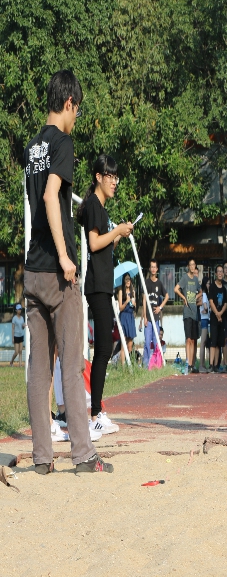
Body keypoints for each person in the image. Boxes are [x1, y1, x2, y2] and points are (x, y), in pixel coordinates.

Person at [23, 69, 112, 474]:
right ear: (69, 103)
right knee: (73, 365)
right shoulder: (62, 142)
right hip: (57, 273)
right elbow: (49, 195)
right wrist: (64, 256)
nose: (76, 118)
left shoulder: (32, 147)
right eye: (77, 110)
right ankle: (83, 455)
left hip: (32, 269)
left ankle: (42, 458)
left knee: (39, 372)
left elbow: (37, 197)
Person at [78, 153, 133, 435]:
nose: (114, 182)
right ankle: (95, 414)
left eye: (116, 177)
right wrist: (117, 231)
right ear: (98, 177)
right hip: (96, 286)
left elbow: (104, 244)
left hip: (103, 285)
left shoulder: (100, 207)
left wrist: (119, 234)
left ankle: (97, 410)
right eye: (109, 176)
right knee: (102, 350)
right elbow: (94, 243)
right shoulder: (93, 206)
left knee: (104, 348)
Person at [174, 258, 201, 374]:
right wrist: (183, 297)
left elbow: (201, 291)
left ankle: (193, 364)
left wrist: (196, 297)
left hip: (195, 312)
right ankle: (188, 364)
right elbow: (176, 289)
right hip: (187, 312)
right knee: (188, 339)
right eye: (190, 265)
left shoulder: (195, 279)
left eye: (194, 265)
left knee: (194, 340)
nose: (192, 266)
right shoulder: (185, 278)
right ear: (188, 266)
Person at [141, 259, 169, 368]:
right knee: (147, 342)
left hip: (156, 318)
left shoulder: (159, 283)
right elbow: (144, 300)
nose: (153, 269)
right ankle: (146, 365)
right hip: (148, 318)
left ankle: (156, 364)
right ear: (149, 268)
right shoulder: (146, 283)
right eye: (151, 267)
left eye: (154, 267)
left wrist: (160, 307)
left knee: (156, 342)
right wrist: (144, 316)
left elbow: (166, 296)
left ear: (157, 269)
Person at [208, 265, 227, 373]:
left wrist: (220, 314)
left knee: (219, 343)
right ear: (216, 274)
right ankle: (211, 364)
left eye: (221, 271)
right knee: (213, 342)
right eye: (218, 271)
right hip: (214, 318)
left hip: (222, 318)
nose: (220, 273)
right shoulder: (212, 287)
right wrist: (217, 314)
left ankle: (216, 365)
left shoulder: (224, 289)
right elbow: (211, 301)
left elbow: (225, 303)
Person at [117, 273, 137, 358]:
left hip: (130, 316)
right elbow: (120, 308)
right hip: (124, 317)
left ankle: (129, 362)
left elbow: (135, 306)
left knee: (130, 344)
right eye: (126, 279)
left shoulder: (133, 291)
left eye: (129, 279)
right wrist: (126, 301)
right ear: (124, 281)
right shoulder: (121, 291)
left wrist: (134, 303)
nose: (128, 281)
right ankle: (122, 364)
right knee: (123, 343)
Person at [199, 275, 211, 372]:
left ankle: (203, 364)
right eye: (207, 283)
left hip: (206, 319)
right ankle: (201, 365)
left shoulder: (206, 294)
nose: (209, 285)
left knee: (205, 342)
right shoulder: (204, 294)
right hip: (204, 319)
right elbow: (205, 307)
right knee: (203, 342)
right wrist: (207, 310)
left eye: (209, 283)